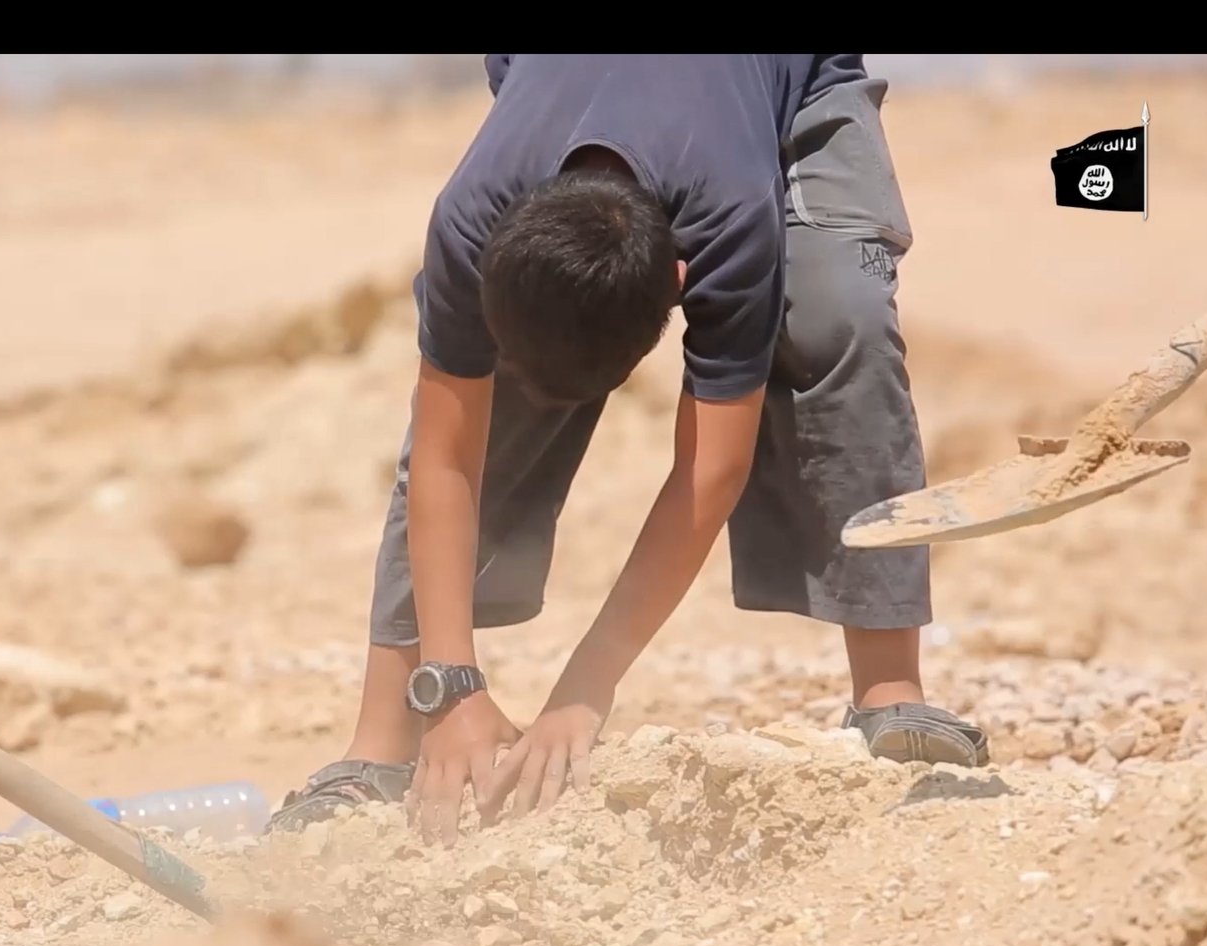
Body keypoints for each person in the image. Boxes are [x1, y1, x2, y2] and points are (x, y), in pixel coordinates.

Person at [270, 54, 988, 843]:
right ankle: (383, 740)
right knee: (495, 390)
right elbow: (447, 454)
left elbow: (711, 468)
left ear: (683, 281)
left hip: (791, 72)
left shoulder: (730, 222)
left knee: (832, 314)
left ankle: (890, 688)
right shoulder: (468, 222)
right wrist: (454, 688)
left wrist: (584, 690)